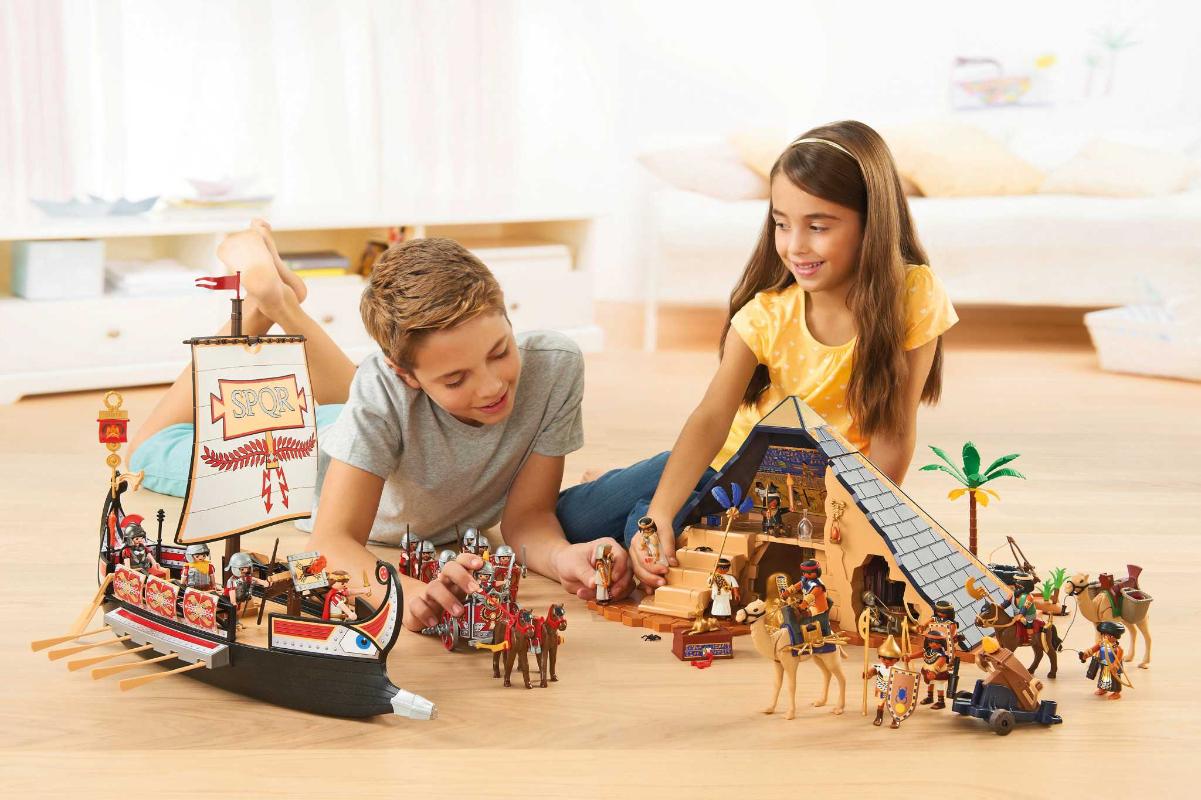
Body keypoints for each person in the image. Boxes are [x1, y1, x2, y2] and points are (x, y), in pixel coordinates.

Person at [125, 222, 632, 632]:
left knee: (363, 393)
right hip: (309, 455)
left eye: (500, 351)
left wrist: (563, 558)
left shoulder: (554, 367)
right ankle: (259, 302)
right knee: (144, 451)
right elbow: (330, 542)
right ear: (406, 374)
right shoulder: (385, 387)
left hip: (379, 426)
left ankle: (279, 303)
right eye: (456, 379)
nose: (492, 386)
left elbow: (527, 518)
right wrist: (405, 593)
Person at [556, 121, 957, 591]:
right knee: (572, 519)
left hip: (803, 497)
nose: (794, 246)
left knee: (670, 542)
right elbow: (711, 418)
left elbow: (895, 432)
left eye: (818, 226)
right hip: (726, 467)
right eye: (781, 224)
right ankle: (639, 494)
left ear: (872, 221)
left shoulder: (914, 295)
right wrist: (661, 514)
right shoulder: (765, 314)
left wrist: (857, 535)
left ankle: (640, 501)